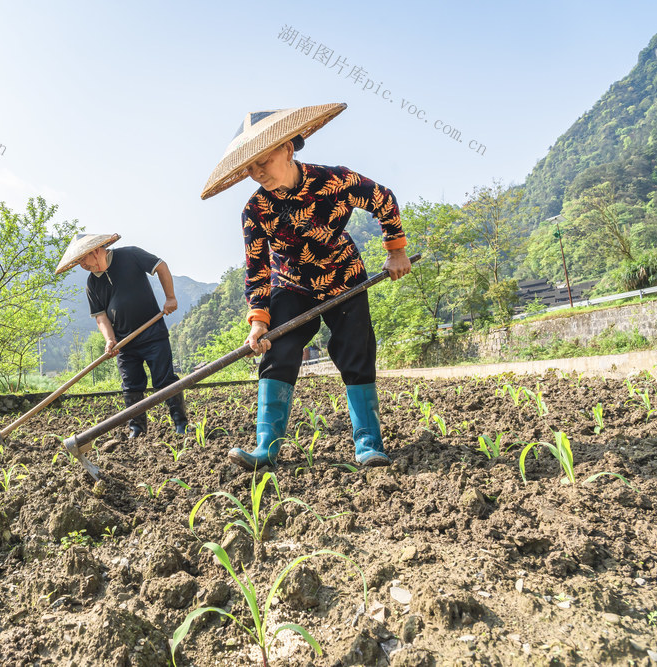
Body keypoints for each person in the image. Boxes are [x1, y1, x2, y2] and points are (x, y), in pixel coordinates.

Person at [200, 103, 412, 468]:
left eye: (262, 161)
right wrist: (259, 321)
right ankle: (266, 448)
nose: (256, 173)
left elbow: (383, 199)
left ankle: (368, 443)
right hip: (291, 284)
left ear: (287, 147)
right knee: (277, 352)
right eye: (249, 167)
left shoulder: (336, 181)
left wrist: (395, 251)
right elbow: (256, 269)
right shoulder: (255, 210)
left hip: (343, 276)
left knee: (355, 352)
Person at [56, 233, 189, 438]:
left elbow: (161, 266)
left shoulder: (130, 255)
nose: (81, 265)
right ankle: (137, 430)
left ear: (96, 250)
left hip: (152, 333)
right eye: (78, 261)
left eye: (83, 259)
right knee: (131, 386)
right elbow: (101, 317)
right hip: (125, 343)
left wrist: (170, 298)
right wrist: (110, 340)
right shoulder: (92, 283)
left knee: (165, 380)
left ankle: (181, 425)